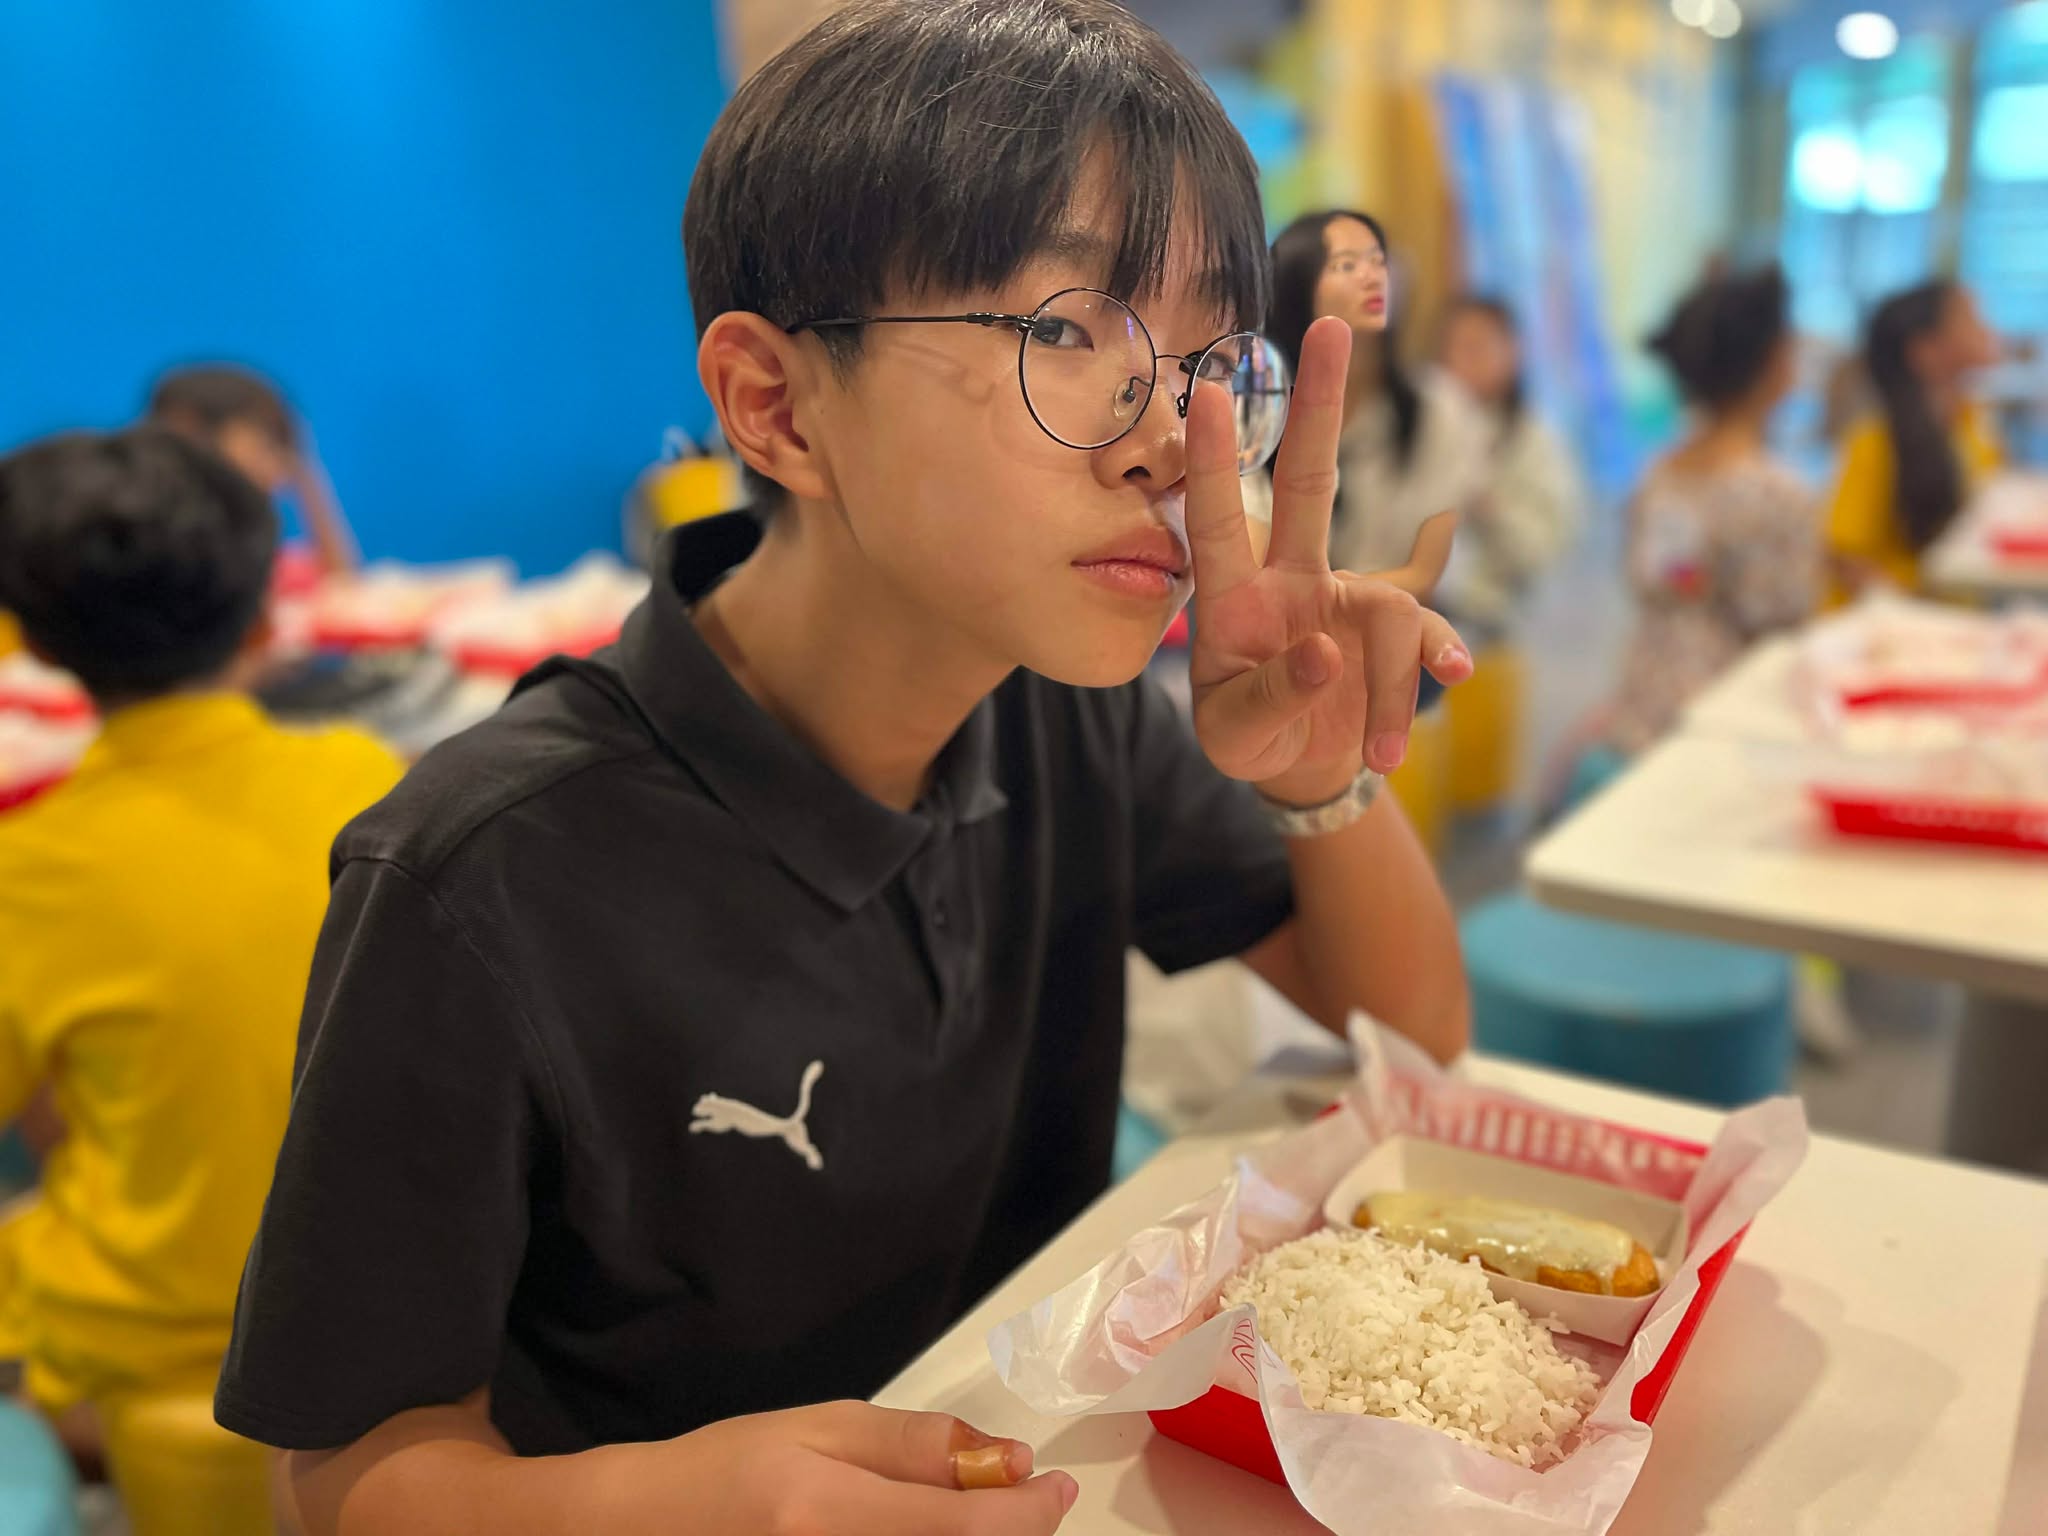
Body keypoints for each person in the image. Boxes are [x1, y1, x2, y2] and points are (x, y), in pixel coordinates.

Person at [213, 3, 1475, 1532]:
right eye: (1065, 333)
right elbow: (345, 1474)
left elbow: (1413, 1035)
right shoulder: (482, 872)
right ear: (777, 406)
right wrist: (676, 1503)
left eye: (1208, 360)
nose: (1169, 441)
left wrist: (1320, 780)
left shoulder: (1062, 713)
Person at [0, 429, 401, 1460]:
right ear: (266, 614)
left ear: (32, 643)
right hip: (400, 1321)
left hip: (149, 1363)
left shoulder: (26, 873)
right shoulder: (368, 779)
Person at [1602, 265, 1818, 755]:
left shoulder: (1658, 475)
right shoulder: (1779, 495)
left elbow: (1653, 583)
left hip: (1641, 708)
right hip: (1730, 723)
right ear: (1775, 362)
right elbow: (1781, 624)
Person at [1264, 209, 1482, 598]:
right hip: (1275, 627)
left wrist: (1325, 598)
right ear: (1296, 287)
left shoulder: (1439, 410)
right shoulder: (1260, 414)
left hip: (1400, 623)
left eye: (1378, 261)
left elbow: (1425, 572)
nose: (1373, 277)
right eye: (1346, 265)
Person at [1825, 280, 2003, 600]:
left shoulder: (1973, 426)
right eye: (1970, 319)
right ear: (1925, 350)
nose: (1988, 329)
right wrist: (1910, 609)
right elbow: (1845, 557)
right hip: (1892, 617)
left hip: (1951, 611)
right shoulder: (1874, 441)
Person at [1431, 295, 1582, 644]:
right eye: (1452, 347)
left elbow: (1543, 545)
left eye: (1477, 347)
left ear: (1513, 351)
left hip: (1491, 623)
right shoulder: (1426, 427)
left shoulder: (1533, 440)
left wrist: (1486, 507)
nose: (1460, 360)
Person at [147, 364, 360, 577]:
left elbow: (342, 579)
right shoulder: (167, 551)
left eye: (281, 448)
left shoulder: (261, 556)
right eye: (263, 447)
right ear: (189, 432)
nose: (279, 468)